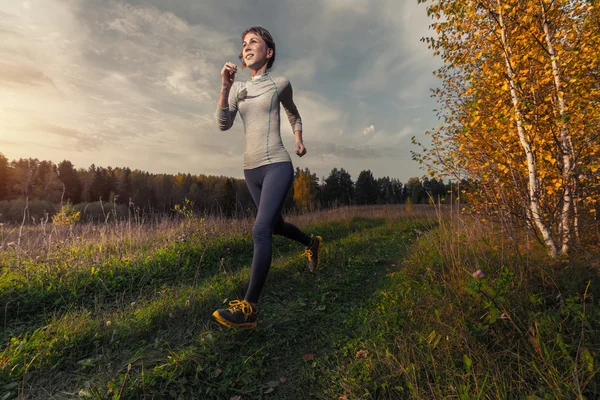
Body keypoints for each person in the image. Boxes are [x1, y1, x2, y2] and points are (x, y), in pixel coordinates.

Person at [212, 26, 323, 330]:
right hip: (251, 169)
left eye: (254, 42)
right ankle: (311, 243)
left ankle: (250, 308)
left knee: (260, 229)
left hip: (277, 164)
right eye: (243, 44)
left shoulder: (280, 83)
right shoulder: (237, 89)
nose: (246, 48)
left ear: (268, 52)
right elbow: (223, 124)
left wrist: (298, 139)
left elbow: (293, 114)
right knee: (276, 225)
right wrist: (225, 87)